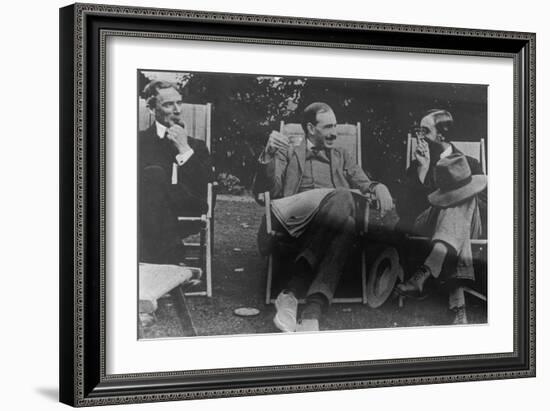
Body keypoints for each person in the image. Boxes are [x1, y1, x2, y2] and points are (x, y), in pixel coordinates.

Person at [256, 102, 395, 332]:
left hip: (328, 225)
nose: (334, 132)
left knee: (347, 221)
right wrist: (268, 156)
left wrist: (378, 187)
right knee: (343, 200)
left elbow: (363, 182)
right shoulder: (288, 153)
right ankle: (306, 299)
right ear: (311, 128)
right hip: (294, 224)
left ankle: (305, 304)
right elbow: (267, 191)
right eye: (328, 127)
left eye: (336, 126)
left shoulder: (342, 155)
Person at [395, 109, 487, 324]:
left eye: (425, 131)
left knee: (463, 201)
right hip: (428, 224)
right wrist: (422, 170)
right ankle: (458, 306)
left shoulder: (471, 164)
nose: (420, 137)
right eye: (418, 131)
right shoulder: (418, 163)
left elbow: (486, 205)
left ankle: (424, 273)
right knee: (453, 214)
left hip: (468, 222)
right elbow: (407, 211)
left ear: (442, 135)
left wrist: (461, 196)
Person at [139, 80, 213, 265]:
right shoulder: (138, 142)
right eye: (168, 104)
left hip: (187, 205)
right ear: (151, 108)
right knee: (153, 175)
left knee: (153, 174)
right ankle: (171, 261)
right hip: (147, 209)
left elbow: (206, 184)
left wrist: (184, 149)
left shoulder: (196, 146)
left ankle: (157, 263)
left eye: (179, 103)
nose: (177, 109)